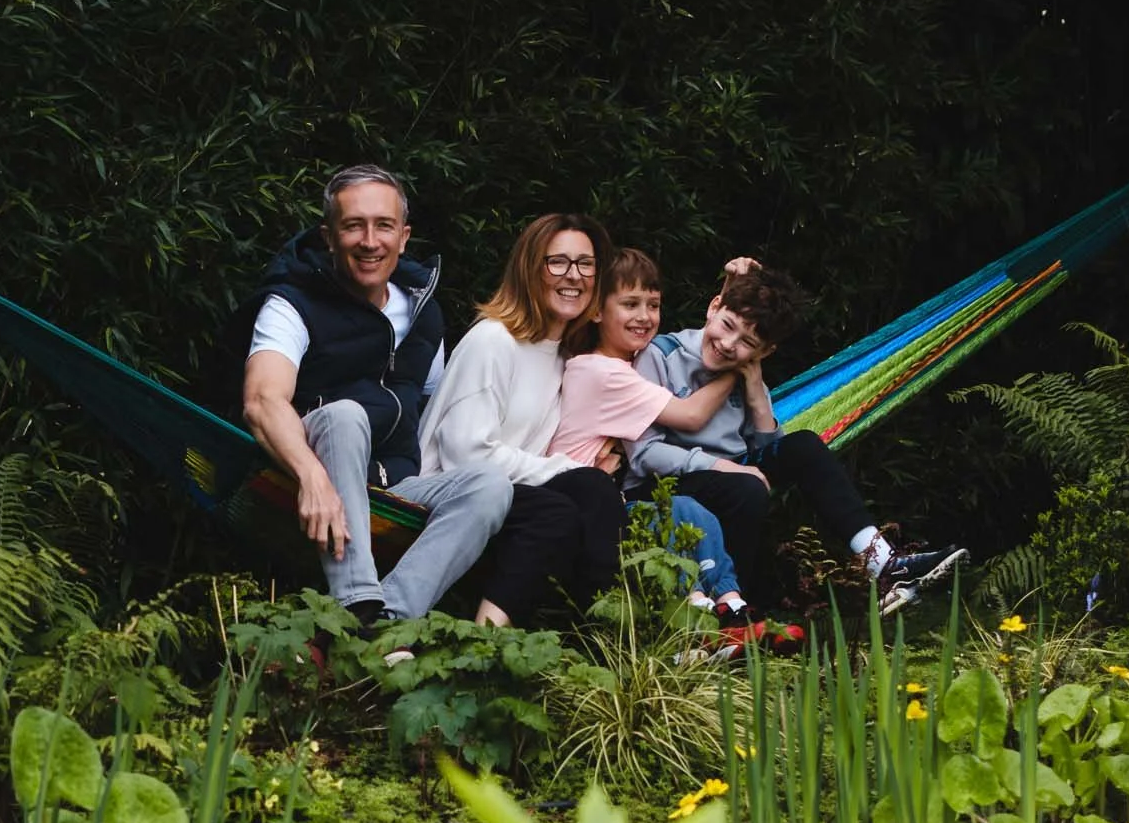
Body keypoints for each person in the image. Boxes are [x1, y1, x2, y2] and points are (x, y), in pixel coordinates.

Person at [240, 165, 514, 628]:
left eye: (384, 226)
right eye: (353, 226)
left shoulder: (424, 312)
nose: (370, 241)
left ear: (403, 237)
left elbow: (432, 409)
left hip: (394, 486)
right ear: (329, 236)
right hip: (309, 470)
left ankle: (387, 619)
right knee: (345, 416)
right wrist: (312, 476)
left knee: (491, 486)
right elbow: (262, 400)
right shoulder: (293, 303)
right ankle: (357, 604)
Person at [627, 259, 965, 616]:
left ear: (764, 352)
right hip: (665, 485)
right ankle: (730, 612)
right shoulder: (659, 356)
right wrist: (726, 467)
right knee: (747, 488)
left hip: (732, 477)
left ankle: (880, 560)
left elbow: (768, 451)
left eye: (747, 342)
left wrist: (755, 389)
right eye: (726, 325)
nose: (728, 344)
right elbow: (644, 454)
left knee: (802, 446)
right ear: (713, 308)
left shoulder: (746, 375)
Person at [415, 212, 626, 627]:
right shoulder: (493, 340)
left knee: (591, 493)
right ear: (531, 269)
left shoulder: (563, 356)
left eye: (586, 264)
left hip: (513, 496)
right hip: (447, 492)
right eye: (558, 262)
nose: (574, 275)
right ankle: (489, 638)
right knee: (571, 498)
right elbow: (466, 453)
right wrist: (568, 469)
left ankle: (606, 631)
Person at [547, 248, 751, 620]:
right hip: (581, 505)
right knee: (671, 516)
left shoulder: (624, 364)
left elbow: (703, 349)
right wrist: (740, 364)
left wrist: (731, 294)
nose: (645, 317)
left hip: (604, 497)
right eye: (630, 304)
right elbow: (691, 413)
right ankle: (693, 613)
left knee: (689, 508)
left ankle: (730, 603)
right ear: (595, 312)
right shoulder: (605, 373)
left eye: (653, 305)